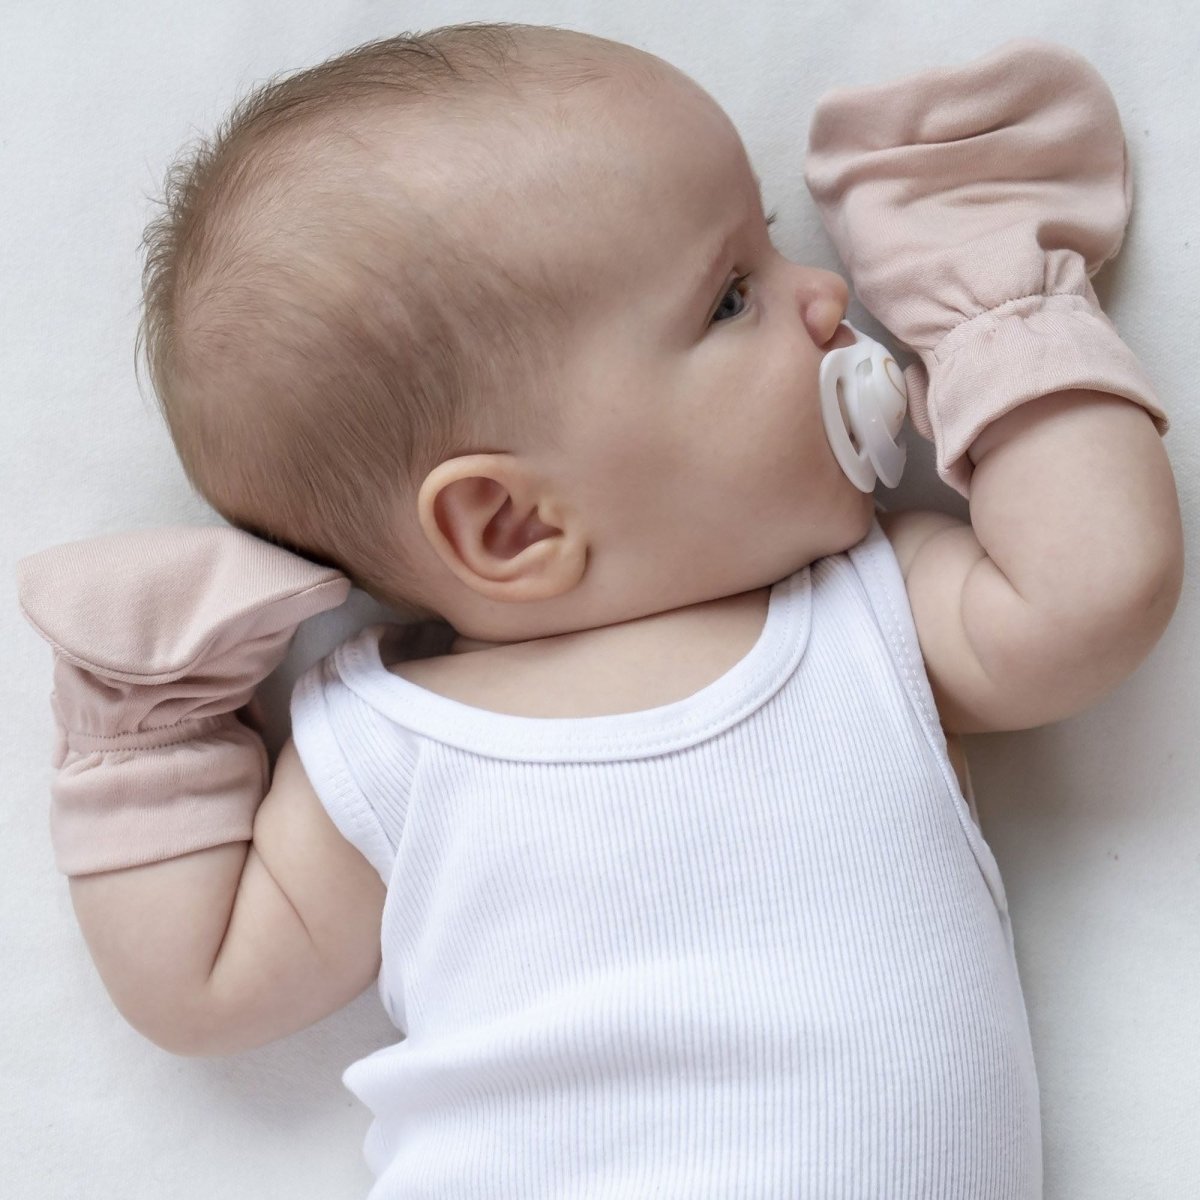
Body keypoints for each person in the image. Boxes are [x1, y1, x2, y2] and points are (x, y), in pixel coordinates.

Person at [15, 23, 1182, 1198]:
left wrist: (993, 316)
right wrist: (147, 722)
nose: (829, 293)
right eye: (733, 297)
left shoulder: (867, 619)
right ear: (512, 526)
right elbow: (201, 985)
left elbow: (1095, 590)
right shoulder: (388, 745)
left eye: (772, 252)